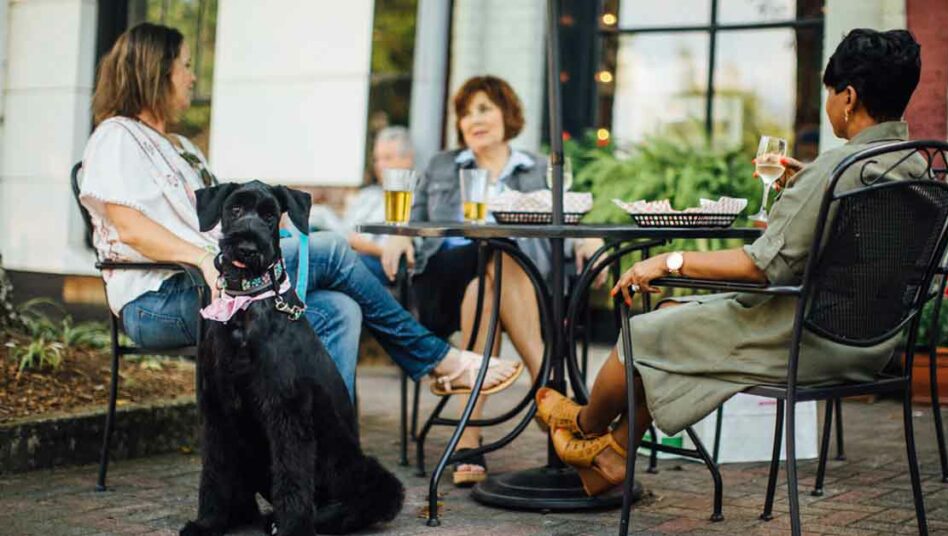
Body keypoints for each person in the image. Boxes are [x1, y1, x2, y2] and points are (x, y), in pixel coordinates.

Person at [533, 28, 924, 495]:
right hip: (871, 344)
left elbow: (762, 267)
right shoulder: (917, 167)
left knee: (642, 333)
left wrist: (669, 261)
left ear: (849, 97)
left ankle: (581, 423)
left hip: (806, 340)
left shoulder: (837, 170)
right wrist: (807, 190)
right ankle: (615, 454)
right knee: (670, 319)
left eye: (828, 92)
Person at [78, 23, 521, 405]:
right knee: (328, 248)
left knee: (341, 308)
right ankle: (434, 359)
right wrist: (199, 258)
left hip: (223, 282)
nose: (193, 78)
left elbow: (223, 220)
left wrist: (270, 224)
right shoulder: (117, 137)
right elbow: (130, 228)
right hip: (161, 299)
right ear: (158, 70)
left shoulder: (183, 148)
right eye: (186, 65)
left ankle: (331, 456)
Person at [379, 75, 606, 486]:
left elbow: (568, 218)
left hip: (518, 286)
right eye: (466, 112)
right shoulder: (444, 165)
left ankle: (470, 438)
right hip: (444, 279)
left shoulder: (538, 168)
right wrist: (396, 238)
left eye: (484, 108)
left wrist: (588, 239)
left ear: (507, 114)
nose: (473, 119)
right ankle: (552, 399)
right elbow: (412, 222)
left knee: (489, 282)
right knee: (495, 252)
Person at [312, 126, 415, 285]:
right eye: (377, 159)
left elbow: (404, 254)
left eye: (387, 158)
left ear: (408, 159)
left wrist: (362, 245)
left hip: (376, 262)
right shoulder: (367, 195)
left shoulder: (412, 199)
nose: (380, 165)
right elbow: (345, 228)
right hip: (346, 249)